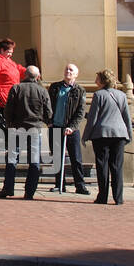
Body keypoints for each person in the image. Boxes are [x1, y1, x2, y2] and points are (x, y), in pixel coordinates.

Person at [0, 65, 52, 200]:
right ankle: (30, 192)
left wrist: (9, 123)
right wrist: (46, 121)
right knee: (34, 161)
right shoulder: (42, 91)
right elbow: (48, 111)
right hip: (35, 128)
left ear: (24, 75)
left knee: (12, 159)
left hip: (17, 127)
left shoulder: (16, 88)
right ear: (37, 77)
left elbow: (8, 109)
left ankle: (8, 188)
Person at [82, 68, 134, 205]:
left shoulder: (98, 95)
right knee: (117, 166)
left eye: (97, 78)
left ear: (102, 81)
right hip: (119, 134)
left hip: (101, 134)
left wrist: (86, 135)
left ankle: (103, 196)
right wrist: (129, 133)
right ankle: (118, 197)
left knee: (102, 166)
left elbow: (93, 118)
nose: (95, 81)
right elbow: (126, 117)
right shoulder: (122, 95)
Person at [47, 63, 90, 195]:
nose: (68, 71)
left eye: (71, 70)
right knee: (57, 158)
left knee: (76, 158)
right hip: (55, 127)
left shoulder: (80, 90)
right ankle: (59, 184)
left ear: (76, 74)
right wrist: (49, 121)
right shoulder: (55, 87)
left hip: (71, 130)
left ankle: (80, 185)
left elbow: (81, 112)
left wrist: (72, 127)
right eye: (66, 69)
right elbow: (47, 105)